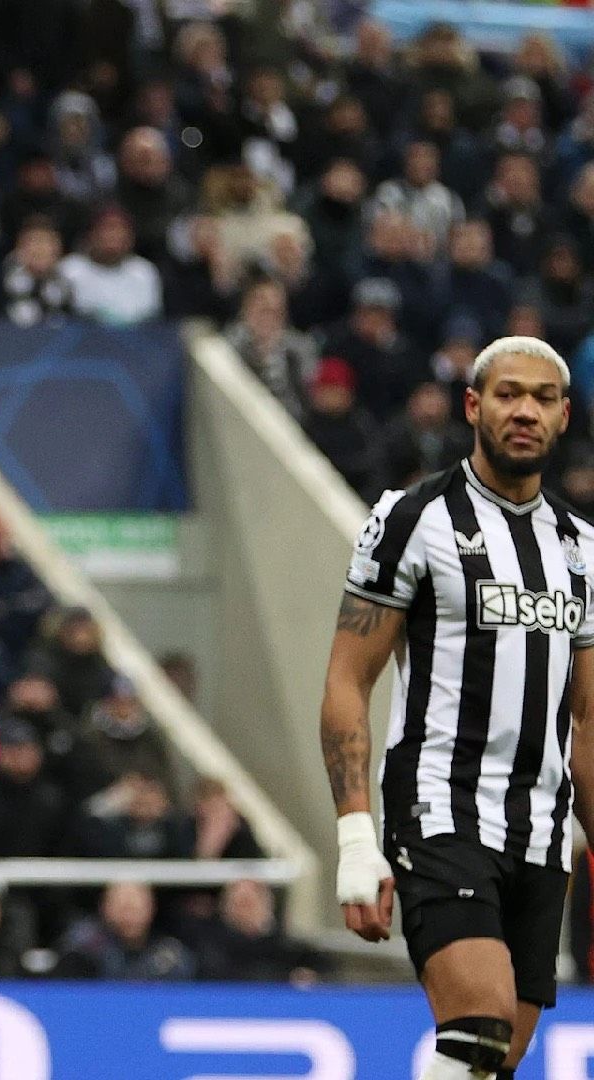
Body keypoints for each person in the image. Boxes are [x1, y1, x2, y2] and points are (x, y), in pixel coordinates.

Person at [323, 336, 594, 1080]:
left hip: (541, 833)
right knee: (478, 1025)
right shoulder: (412, 518)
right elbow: (348, 680)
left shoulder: (581, 549)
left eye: (542, 398)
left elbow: (588, 721)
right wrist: (356, 837)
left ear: (564, 416)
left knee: (493, 1063)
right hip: (440, 810)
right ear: (474, 406)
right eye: (508, 394)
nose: (525, 411)